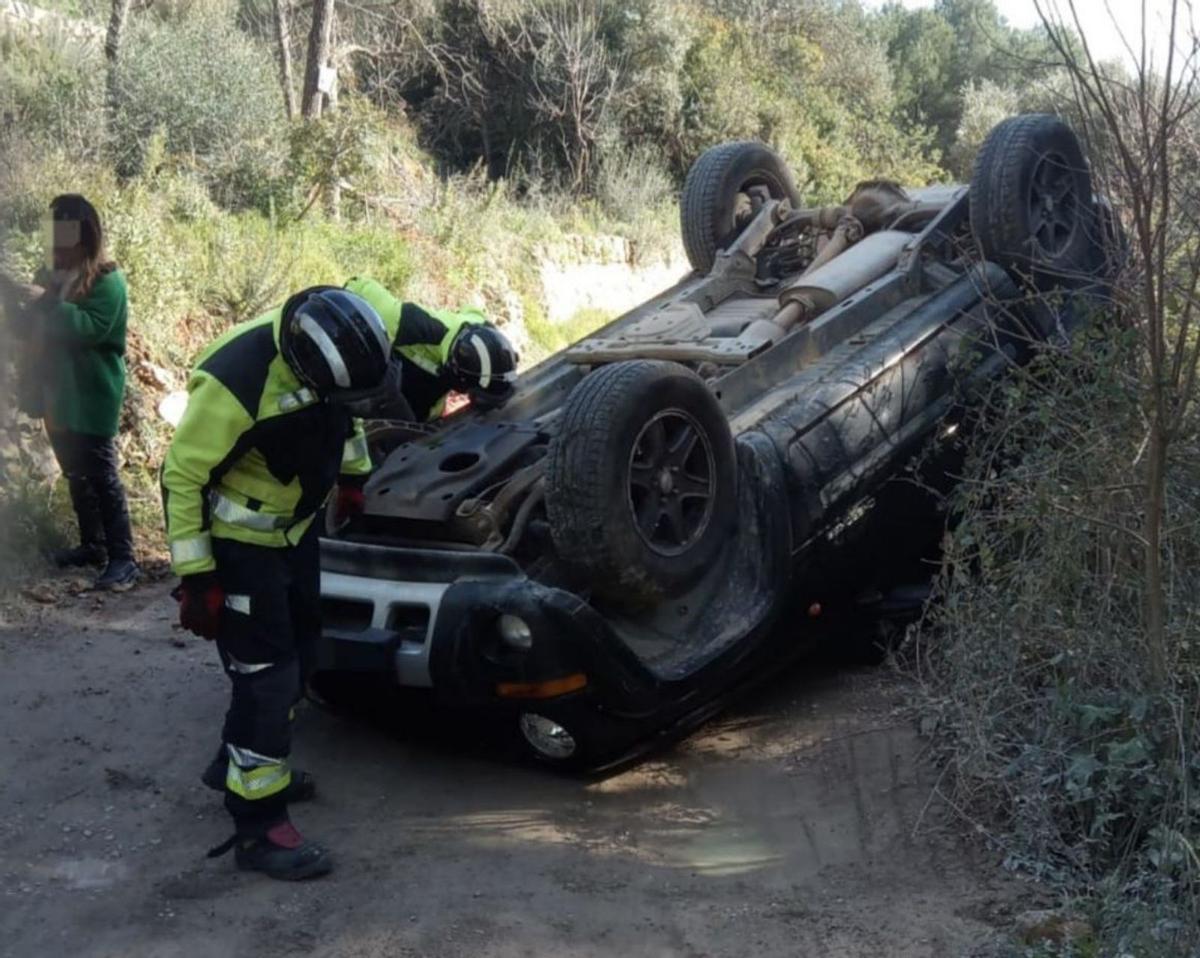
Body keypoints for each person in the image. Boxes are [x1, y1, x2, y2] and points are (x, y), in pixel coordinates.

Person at [161, 286, 392, 881]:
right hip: (240, 550)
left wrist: (354, 477)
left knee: (303, 649)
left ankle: (232, 761)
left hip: (296, 536)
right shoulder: (236, 381)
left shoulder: (333, 353)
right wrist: (196, 578)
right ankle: (258, 823)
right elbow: (181, 476)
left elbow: (347, 416)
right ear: (304, 367)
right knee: (267, 678)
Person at [0, 195, 139, 591]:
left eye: (64, 239)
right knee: (75, 472)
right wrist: (16, 303)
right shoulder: (49, 274)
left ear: (85, 239)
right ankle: (92, 545)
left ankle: (124, 558)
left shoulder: (109, 280)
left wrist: (40, 301)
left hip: (91, 395)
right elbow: (29, 328)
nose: (56, 248)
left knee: (101, 474)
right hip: (56, 395)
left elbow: (88, 328)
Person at [343, 276, 519, 422]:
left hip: (429, 384)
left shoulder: (484, 334)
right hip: (394, 370)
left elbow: (473, 313)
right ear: (461, 378)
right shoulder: (407, 324)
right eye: (473, 396)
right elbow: (356, 287)